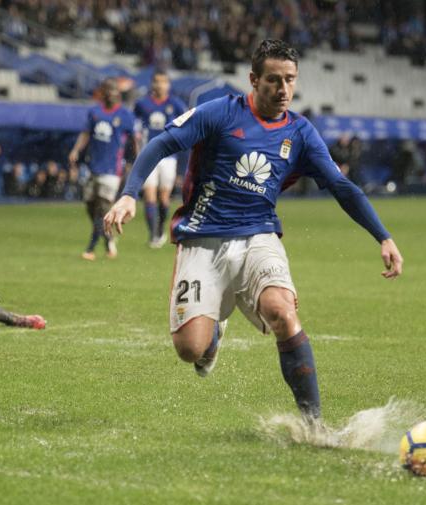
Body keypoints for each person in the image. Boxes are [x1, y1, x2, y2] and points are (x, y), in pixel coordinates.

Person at [104, 39, 403, 420]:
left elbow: (342, 187)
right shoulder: (220, 114)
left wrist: (383, 236)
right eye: (274, 80)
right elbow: (160, 145)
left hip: (259, 236)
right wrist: (130, 194)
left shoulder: (300, 132)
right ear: (253, 79)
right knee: (190, 350)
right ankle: (213, 333)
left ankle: (314, 425)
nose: (283, 90)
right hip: (202, 237)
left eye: (290, 80)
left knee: (282, 311)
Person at [69, 78, 136, 260]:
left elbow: (134, 138)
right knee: (90, 206)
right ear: (103, 92)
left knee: (102, 208)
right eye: (108, 89)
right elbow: (85, 134)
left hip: (112, 170)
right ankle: (109, 240)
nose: (111, 93)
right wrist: (76, 150)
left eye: (114, 90)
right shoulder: (94, 111)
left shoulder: (124, 114)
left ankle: (90, 248)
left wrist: (136, 160)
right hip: (93, 167)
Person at [134, 71, 187, 247]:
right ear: (152, 83)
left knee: (164, 198)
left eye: (163, 82)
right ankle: (153, 235)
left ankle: (161, 227)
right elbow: (136, 130)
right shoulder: (142, 104)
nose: (160, 85)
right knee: (149, 195)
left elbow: (186, 126)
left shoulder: (176, 105)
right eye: (156, 81)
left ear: (168, 85)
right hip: (148, 154)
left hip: (169, 157)